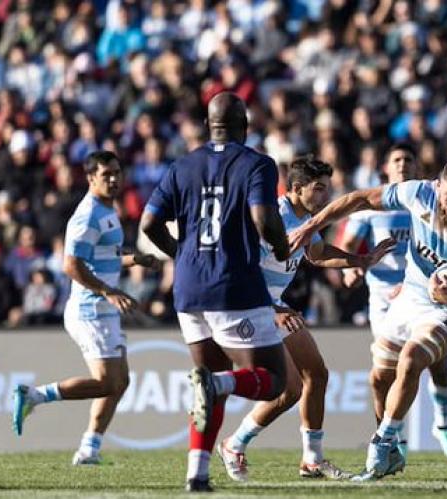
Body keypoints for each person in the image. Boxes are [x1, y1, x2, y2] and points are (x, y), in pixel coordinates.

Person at [289, 160, 447, 480]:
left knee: (412, 358)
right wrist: (312, 225)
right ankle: (391, 453)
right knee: (379, 379)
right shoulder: (418, 193)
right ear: (437, 186)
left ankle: (382, 441)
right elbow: (360, 199)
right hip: (409, 297)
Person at [140, 92, 293, 492]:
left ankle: (197, 472)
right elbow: (263, 217)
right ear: (245, 125)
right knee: (275, 381)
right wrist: (280, 246)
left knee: (209, 381)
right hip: (233, 285)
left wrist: (182, 254)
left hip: (188, 288)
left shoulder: (182, 165)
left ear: (209, 126)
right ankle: (220, 386)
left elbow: (148, 224)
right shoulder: (257, 163)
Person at [216, 156, 395, 482]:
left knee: (317, 374)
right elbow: (242, 269)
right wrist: (271, 311)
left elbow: (317, 254)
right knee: (290, 388)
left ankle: (312, 460)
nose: (326, 196)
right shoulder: (270, 217)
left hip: (274, 305)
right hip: (251, 305)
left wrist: (360, 259)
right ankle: (234, 443)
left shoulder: (307, 218)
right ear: (296, 188)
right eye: (320, 188)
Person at [12, 151, 161, 466]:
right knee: (108, 382)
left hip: (102, 308)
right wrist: (108, 291)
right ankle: (34, 396)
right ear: (91, 178)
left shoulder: (109, 210)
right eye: (106, 174)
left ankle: (89, 449)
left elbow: (101, 258)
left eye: (117, 172)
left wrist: (136, 259)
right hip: (89, 310)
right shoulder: (87, 214)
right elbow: (71, 265)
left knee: (120, 383)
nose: (113, 179)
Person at [340, 143, 447, 460]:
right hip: (383, 295)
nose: (403, 164)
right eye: (396, 159)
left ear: (417, 169)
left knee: (436, 362)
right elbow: (350, 246)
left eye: (409, 159)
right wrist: (353, 268)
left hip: (422, 291)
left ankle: (443, 424)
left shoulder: (423, 202)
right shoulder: (371, 206)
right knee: (385, 372)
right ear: (385, 167)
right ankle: (391, 441)